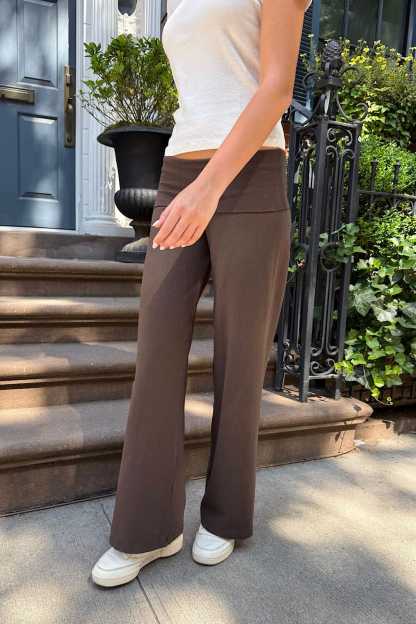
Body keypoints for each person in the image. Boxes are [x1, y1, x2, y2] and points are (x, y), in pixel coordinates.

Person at [92, 0, 313, 587]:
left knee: (240, 359)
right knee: (156, 353)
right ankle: (148, 528)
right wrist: (191, 185)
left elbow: (276, 88)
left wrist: (209, 188)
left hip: (250, 174)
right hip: (178, 172)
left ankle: (226, 514)